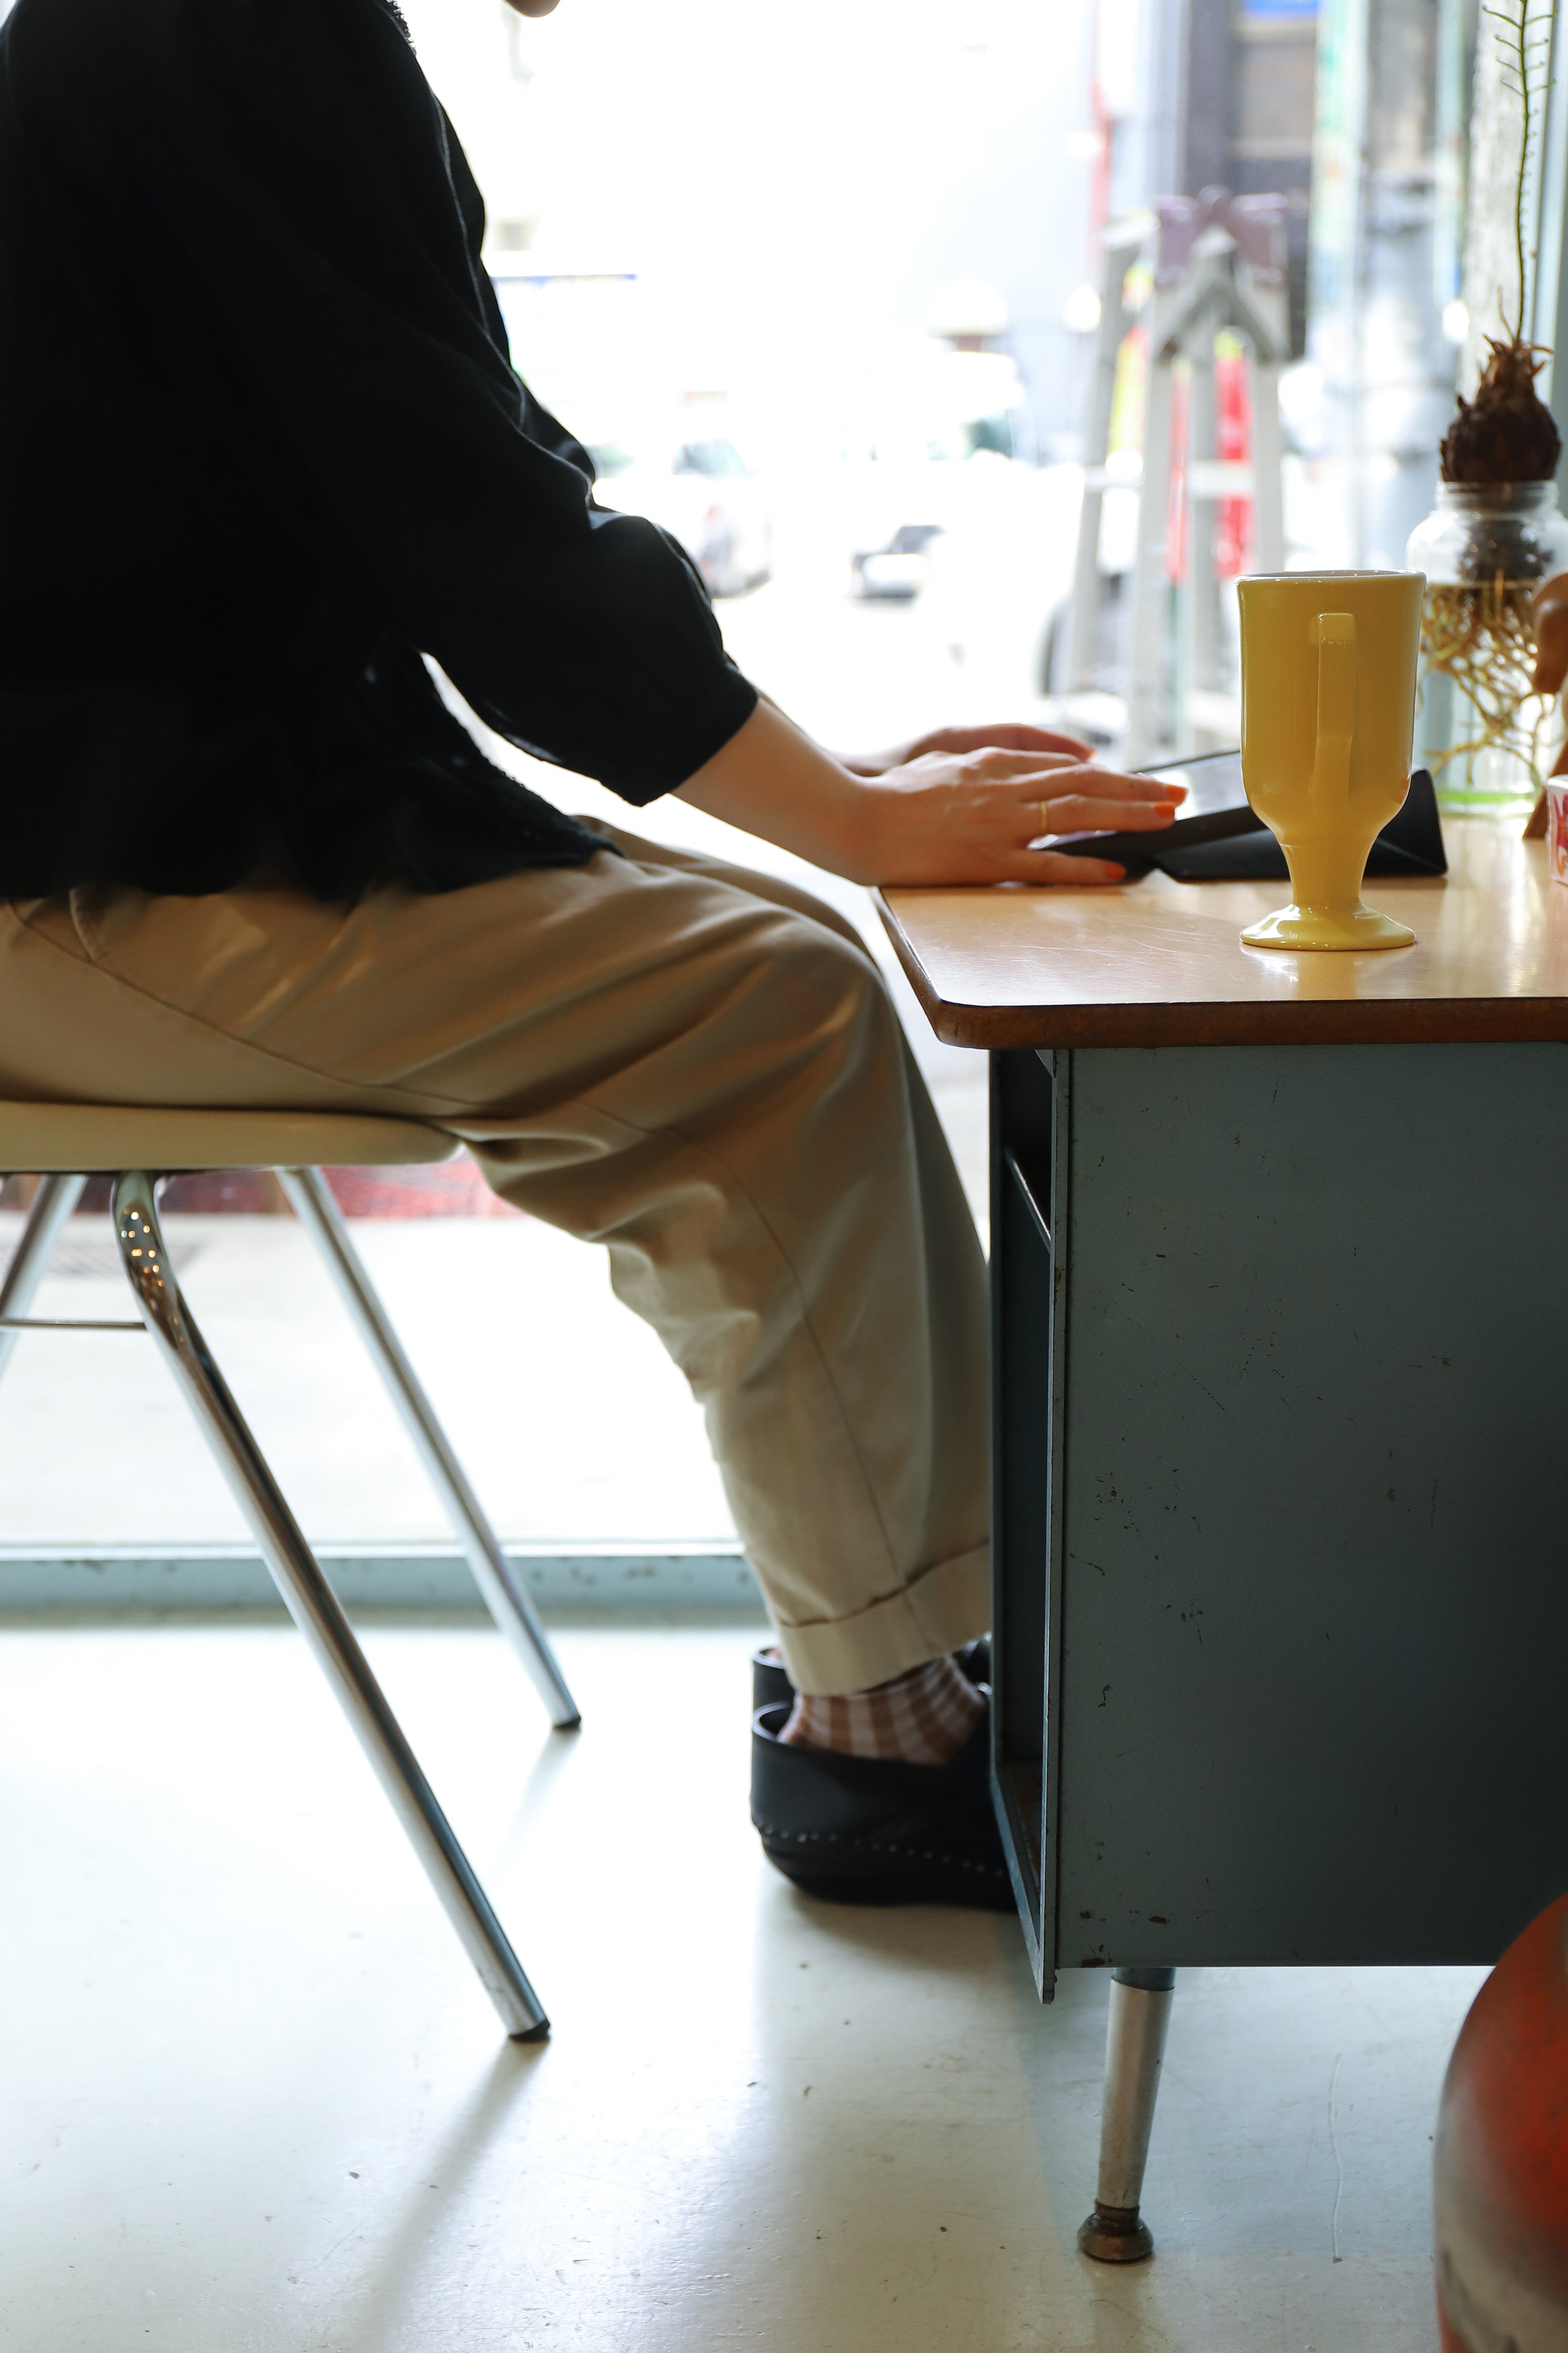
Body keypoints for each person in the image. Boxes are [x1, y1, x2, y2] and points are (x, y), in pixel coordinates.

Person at [0, 0, 1181, 1907]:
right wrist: (853, 814)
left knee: (767, 956)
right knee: (772, 1011)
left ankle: (887, 1650)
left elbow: (472, 479)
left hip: (149, 816)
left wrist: (829, 791)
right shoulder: (232, 25)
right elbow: (476, 531)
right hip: (76, 870)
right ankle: (884, 1722)